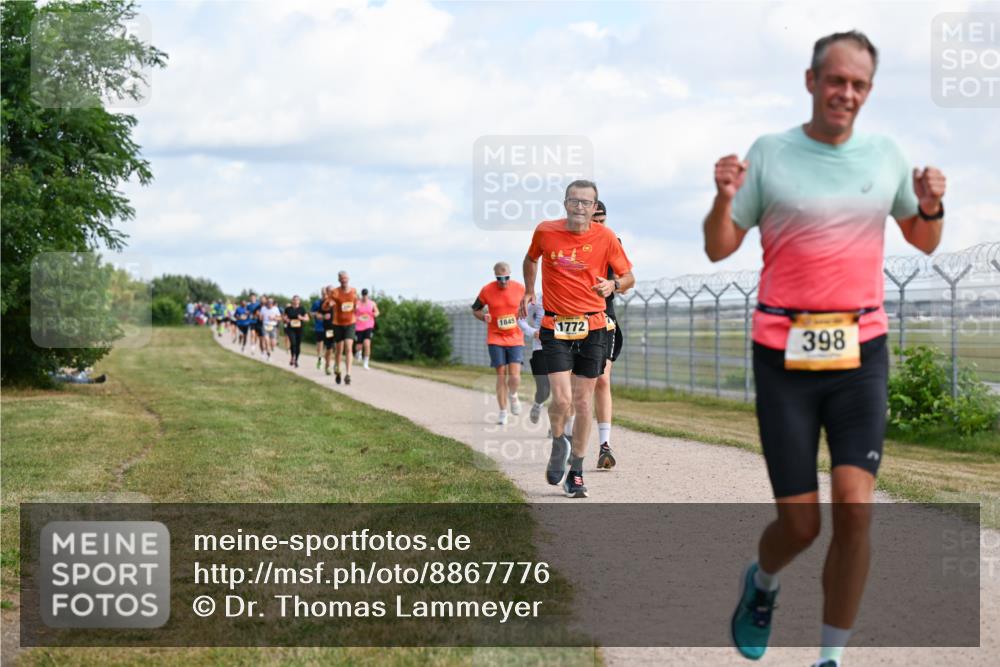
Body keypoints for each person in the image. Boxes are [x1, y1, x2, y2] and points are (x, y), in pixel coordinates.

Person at [704, 31, 945, 667]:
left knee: (857, 509)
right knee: (802, 526)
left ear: (868, 91)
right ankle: (762, 582)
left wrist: (931, 205)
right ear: (811, 81)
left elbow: (923, 240)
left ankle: (829, 658)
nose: (846, 93)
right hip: (783, 353)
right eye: (835, 80)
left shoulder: (886, 155)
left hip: (860, 350)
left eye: (858, 85)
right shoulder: (771, 153)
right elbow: (718, 247)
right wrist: (724, 198)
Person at [520, 180, 634, 498]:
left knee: (583, 401)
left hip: (594, 326)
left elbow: (629, 277)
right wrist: (529, 289)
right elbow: (531, 259)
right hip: (556, 325)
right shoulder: (545, 231)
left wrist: (614, 286)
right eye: (575, 201)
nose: (581, 207)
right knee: (562, 399)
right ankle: (559, 443)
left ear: (595, 206)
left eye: (587, 203)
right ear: (566, 203)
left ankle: (577, 472)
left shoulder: (607, 237)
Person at [592, 200, 625, 469]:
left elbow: (626, 280)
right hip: (573, 319)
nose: (598, 225)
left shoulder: (613, 241)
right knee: (574, 385)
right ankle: (566, 438)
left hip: (604, 318)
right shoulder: (567, 244)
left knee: (602, 379)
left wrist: (613, 284)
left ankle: (605, 445)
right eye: (594, 220)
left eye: (602, 220)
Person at [473, 262, 526, 425]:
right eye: (500, 278)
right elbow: (476, 309)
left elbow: (530, 306)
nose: (503, 281)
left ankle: (514, 395)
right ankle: (503, 411)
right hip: (495, 337)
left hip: (515, 337)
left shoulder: (520, 288)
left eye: (506, 277)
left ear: (510, 274)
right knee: (501, 374)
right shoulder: (487, 290)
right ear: (495, 276)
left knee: (515, 376)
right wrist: (484, 317)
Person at [519, 299, 549, 426]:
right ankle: (538, 403)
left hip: (563, 350)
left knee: (561, 393)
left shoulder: (569, 296)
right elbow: (520, 318)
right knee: (544, 389)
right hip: (540, 349)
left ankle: (555, 428)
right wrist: (532, 332)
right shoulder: (537, 301)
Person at [327, 271, 358, 385]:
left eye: (345, 278)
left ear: (348, 278)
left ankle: (348, 374)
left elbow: (355, 304)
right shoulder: (335, 292)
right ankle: (338, 370)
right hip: (337, 324)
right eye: (342, 278)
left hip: (350, 323)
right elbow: (326, 304)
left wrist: (356, 307)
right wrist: (329, 303)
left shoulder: (354, 291)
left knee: (349, 348)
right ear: (339, 280)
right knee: (339, 349)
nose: (344, 280)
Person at [354, 288, 379, 369]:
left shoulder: (372, 303)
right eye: (363, 295)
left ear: (368, 295)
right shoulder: (357, 303)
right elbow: (352, 312)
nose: (365, 296)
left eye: (366, 295)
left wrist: (375, 314)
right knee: (359, 346)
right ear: (362, 295)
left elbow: (377, 312)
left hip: (369, 325)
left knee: (367, 344)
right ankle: (358, 353)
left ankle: (366, 363)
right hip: (358, 326)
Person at [283, 295, 309, 368]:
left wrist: (302, 318)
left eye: (297, 300)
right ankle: (292, 357)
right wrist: (286, 319)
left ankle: (296, 360)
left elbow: (307, 319)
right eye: (294, 300)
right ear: (292, 301)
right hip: (290, 328)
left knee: (298, 345)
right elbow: (284, 317)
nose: (295, 301)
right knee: (293, 342)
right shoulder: (288, 309)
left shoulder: (302, 309)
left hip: (299, 329)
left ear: (299, 301)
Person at [311, 288, 327, 369]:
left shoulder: (331, 303)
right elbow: (311, 313)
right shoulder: (317, 303)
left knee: (329, 345)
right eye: (323, 293)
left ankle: (327, 362)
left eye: (326, 293)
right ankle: (320, 360)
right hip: (319, 327)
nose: (325, 295)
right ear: (321, 293)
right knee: (319, 345)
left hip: (329, 328)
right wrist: (316, 314)